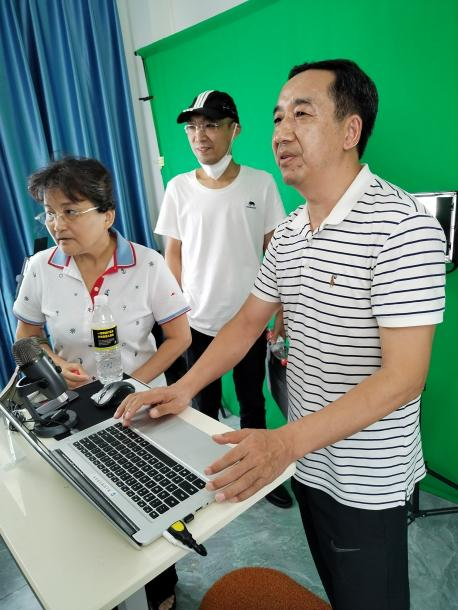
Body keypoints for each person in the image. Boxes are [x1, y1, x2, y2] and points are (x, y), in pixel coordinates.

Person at [116, 60, 446, 610]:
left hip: (365, 475)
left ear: (350, 130)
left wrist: (283, 442)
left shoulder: (404, 226)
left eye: (301, 114)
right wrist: (183, 387)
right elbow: (247, 323)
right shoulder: (292, 232)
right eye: (277, 118)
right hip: (306, 456)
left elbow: (404, 377)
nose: (281, 132)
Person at [13, 156, 189, 610]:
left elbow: (179, 338)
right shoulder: (41, 267)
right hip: (74, 404)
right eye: (49, 213)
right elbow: (27, 338)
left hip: (141, 405)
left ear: (107, 214)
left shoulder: (147, 264)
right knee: (94, 504)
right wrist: (56, 363)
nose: (57, 224)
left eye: (70, 211)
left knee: (153, 497)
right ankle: (112, 586)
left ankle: (162, 583)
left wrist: (131, 383)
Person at [154, 89, 292, 509]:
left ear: (235, 131)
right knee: (201, 407)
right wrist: (173, 314)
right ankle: (206, 474)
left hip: (248, 322)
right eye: (193, 128)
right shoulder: (178, 188)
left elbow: (276, 252)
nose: (200, 136)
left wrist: (281, 312)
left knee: (253, 403)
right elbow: (173, 255)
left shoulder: (260, 183)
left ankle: (260, 478)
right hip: (197, 321)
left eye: (212, 125)